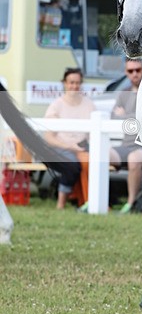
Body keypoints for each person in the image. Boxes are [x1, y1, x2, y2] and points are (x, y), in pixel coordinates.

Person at [44, 67, 95, 209]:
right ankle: (61, 205)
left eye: (77, 83)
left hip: (82, 147)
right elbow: (48, 137)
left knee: (95, 162)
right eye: (71, 82)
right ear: (65, 83)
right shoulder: (56, 105)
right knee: (72, 165)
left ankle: (90, 201)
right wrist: (68, 147)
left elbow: (92, 134)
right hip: (59, 147)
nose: (74, 86)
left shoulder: (89, 105)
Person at [109, 59, 142, 214]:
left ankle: (131, 203)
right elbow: (113, 116)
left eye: (138, 70)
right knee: (101, 154)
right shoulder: (123, 93)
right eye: (130, 71)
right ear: (126, 73)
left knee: (134, 159)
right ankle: (103, 200)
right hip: (126, 144)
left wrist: (125, 115)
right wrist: (131, 117)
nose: (135, 74)